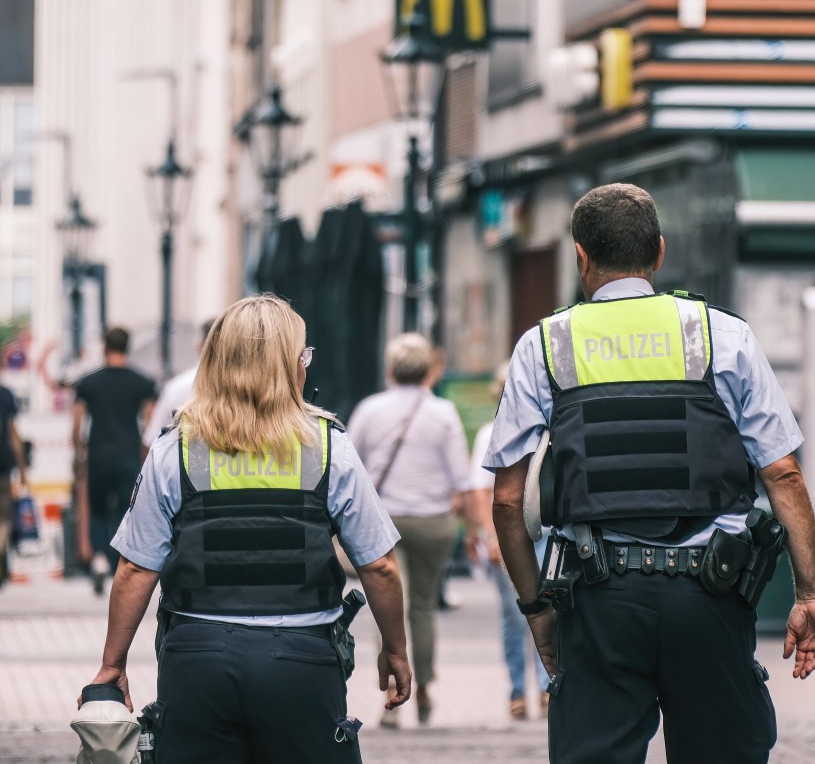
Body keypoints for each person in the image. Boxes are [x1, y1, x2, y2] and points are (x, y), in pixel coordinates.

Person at [486, 183, 815, 763]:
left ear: (581, 256)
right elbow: (784, 475)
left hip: (599, 603)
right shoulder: (722, 334)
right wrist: (811, 593)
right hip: (710, 598)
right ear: (660, 252)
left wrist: (538, 610)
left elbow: (505, 501)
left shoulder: (545, 345)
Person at [81, 294, 411, 763]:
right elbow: (378, 565)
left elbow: (137, 569)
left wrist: (112, 664)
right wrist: (394, 649)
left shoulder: (175, 448)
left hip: (198, 663)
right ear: (288, 365)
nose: (306, 367)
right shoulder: (327, 448)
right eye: (304, 356)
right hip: (302, 665)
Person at [347, 333, 477, 728]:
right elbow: (461, 477)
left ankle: (390, 691)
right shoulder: (443, 414)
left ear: (390, 370)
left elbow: (350, 469)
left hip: (381, 522)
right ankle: (423, 689)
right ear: (428, 372)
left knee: (387, 606)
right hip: (433, 524)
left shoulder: (369, 410)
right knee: (422, 607)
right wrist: (472, 529)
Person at [468, 361, 551, 720]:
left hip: (538, 533)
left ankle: (545, 687)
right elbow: (481, 493)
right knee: (531, 612)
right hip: (530, 533)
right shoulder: (491, 432)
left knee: (531, 611)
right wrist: (491, 537)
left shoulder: (545, 428)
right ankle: (521, 690)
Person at [73, 327, 157, 594]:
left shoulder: (88, 382)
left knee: (97, 510)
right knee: (124, 510)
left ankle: (98, 559)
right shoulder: (142, 382)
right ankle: (118, 564)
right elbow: (150, 422)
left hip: (98, 455)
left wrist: (78, 451)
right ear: (127, 347)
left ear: (104, 346)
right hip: (128, 455)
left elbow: (77, 424)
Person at [142, 319, 215, 450]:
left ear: (198, 346)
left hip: (180, 466)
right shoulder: (244, 385)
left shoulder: (176, 387)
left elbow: (152, 439)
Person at [0, 383, 29, 586]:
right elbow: (13, 435)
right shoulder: (5, 395)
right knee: (4, 518)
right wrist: (22, 469)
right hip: (2, 465)